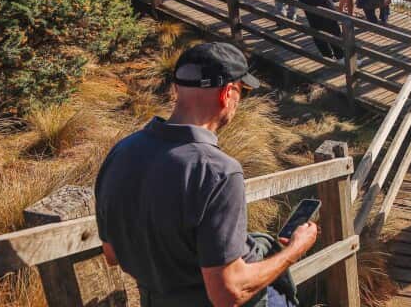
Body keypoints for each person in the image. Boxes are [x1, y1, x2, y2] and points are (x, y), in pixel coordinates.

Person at [95, 42, 317, 306]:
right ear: (227, 93)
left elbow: (111, 254)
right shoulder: (218, 171)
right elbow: (228, 293)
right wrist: (294, 250)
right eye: (242, 93)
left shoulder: (121, 152)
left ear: (177, 89)